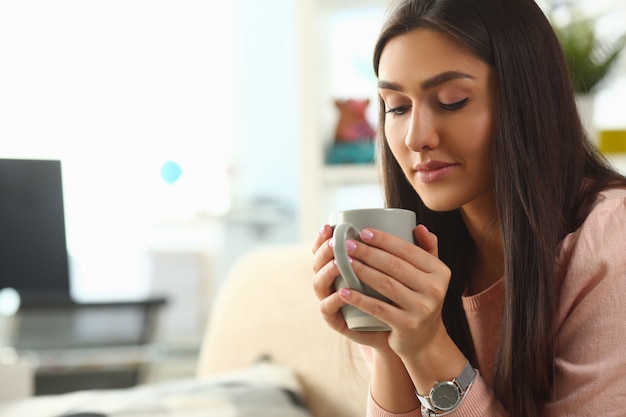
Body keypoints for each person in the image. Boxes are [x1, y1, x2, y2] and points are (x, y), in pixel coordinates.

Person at [311, 0, 626, 416]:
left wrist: (429, 347)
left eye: (452, 100)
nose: (415, 138)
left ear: (526, 100)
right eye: (397, 107)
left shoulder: (610, 238)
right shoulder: (418, 253)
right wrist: (392, 347)